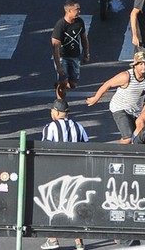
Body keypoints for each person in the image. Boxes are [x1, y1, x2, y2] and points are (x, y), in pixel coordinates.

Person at [39, 99, 88, 250]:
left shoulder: (51, 127)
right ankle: (79, 242)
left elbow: (44, 149)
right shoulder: (79, 127)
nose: (51, 113)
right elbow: (87, 146)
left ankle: (53, 239)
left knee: (51, 204)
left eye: (52, 110)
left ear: (57, 112)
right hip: (76, 172)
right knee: (73, 206)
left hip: (56, 172)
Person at [86, 51, 145, 144]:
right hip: (120, 108)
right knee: (128, 138)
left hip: (136, 110)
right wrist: (95, 98)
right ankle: (120, 153)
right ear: (135, 65)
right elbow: (107, 84)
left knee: (140, 136)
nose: (144, 66)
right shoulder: (126, 76)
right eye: (140, 64)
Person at [52, 0, 89, 100]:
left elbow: (84, 38)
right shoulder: (60, 25)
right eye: (77, 9)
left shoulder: (80, 22)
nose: (79, 11)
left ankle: (60, 84)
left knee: (73, 84)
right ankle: (60, 103)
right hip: (62, 57)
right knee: (63, 82)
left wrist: (86, 53)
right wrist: (58, 66)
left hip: (75, 57)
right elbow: (55, 46)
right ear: (69, 11)